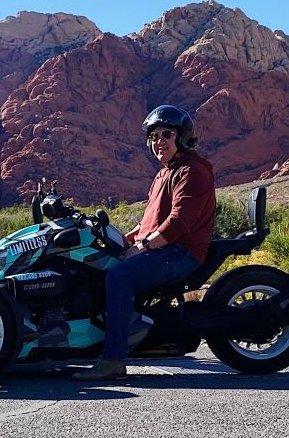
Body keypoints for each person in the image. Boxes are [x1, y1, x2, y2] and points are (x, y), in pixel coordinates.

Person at [73, 105, 216, 381]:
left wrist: (143, 247)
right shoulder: (165, 172)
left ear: (182, 136)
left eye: (166, 134)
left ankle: (113, 359)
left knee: (119, 277)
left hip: (180, 252)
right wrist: (121, 240)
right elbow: (148, 222)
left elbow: (177, 224)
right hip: (162, 247)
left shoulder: (192, 170)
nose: (158, 142)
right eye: (153, 137)